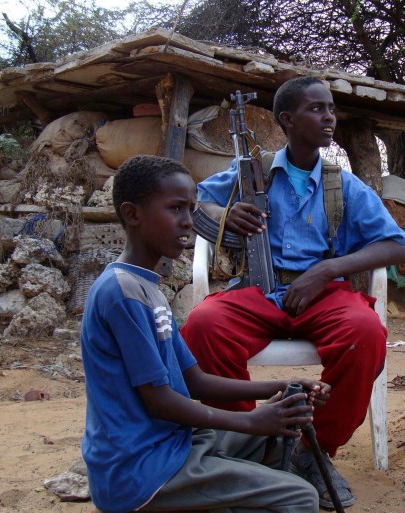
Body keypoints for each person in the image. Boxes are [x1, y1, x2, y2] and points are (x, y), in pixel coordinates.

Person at [181, 77, 405, 509]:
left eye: (331, 109)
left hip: (323, 294)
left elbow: (397, 245)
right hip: (256, 290)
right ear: (287, 120)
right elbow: (197, 203)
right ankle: (251, 442)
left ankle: (313, 451)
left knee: (365, 331)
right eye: (316, 109)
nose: (329, 117)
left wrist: (327, 270)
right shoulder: (251, 171)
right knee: (203, 325)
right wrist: (227, 214)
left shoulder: (343, 185)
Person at [80, 155, 329, 513]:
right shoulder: (122, 294)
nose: (187, 222)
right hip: (140, 469)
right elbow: (160, 401)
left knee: (276, 435)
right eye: (176, 209)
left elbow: (194, 380)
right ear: (133, 214)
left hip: (171, 444)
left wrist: (282, 387)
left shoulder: (148, 289)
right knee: (300, 497)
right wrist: (249, 420)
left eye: (192, 209)